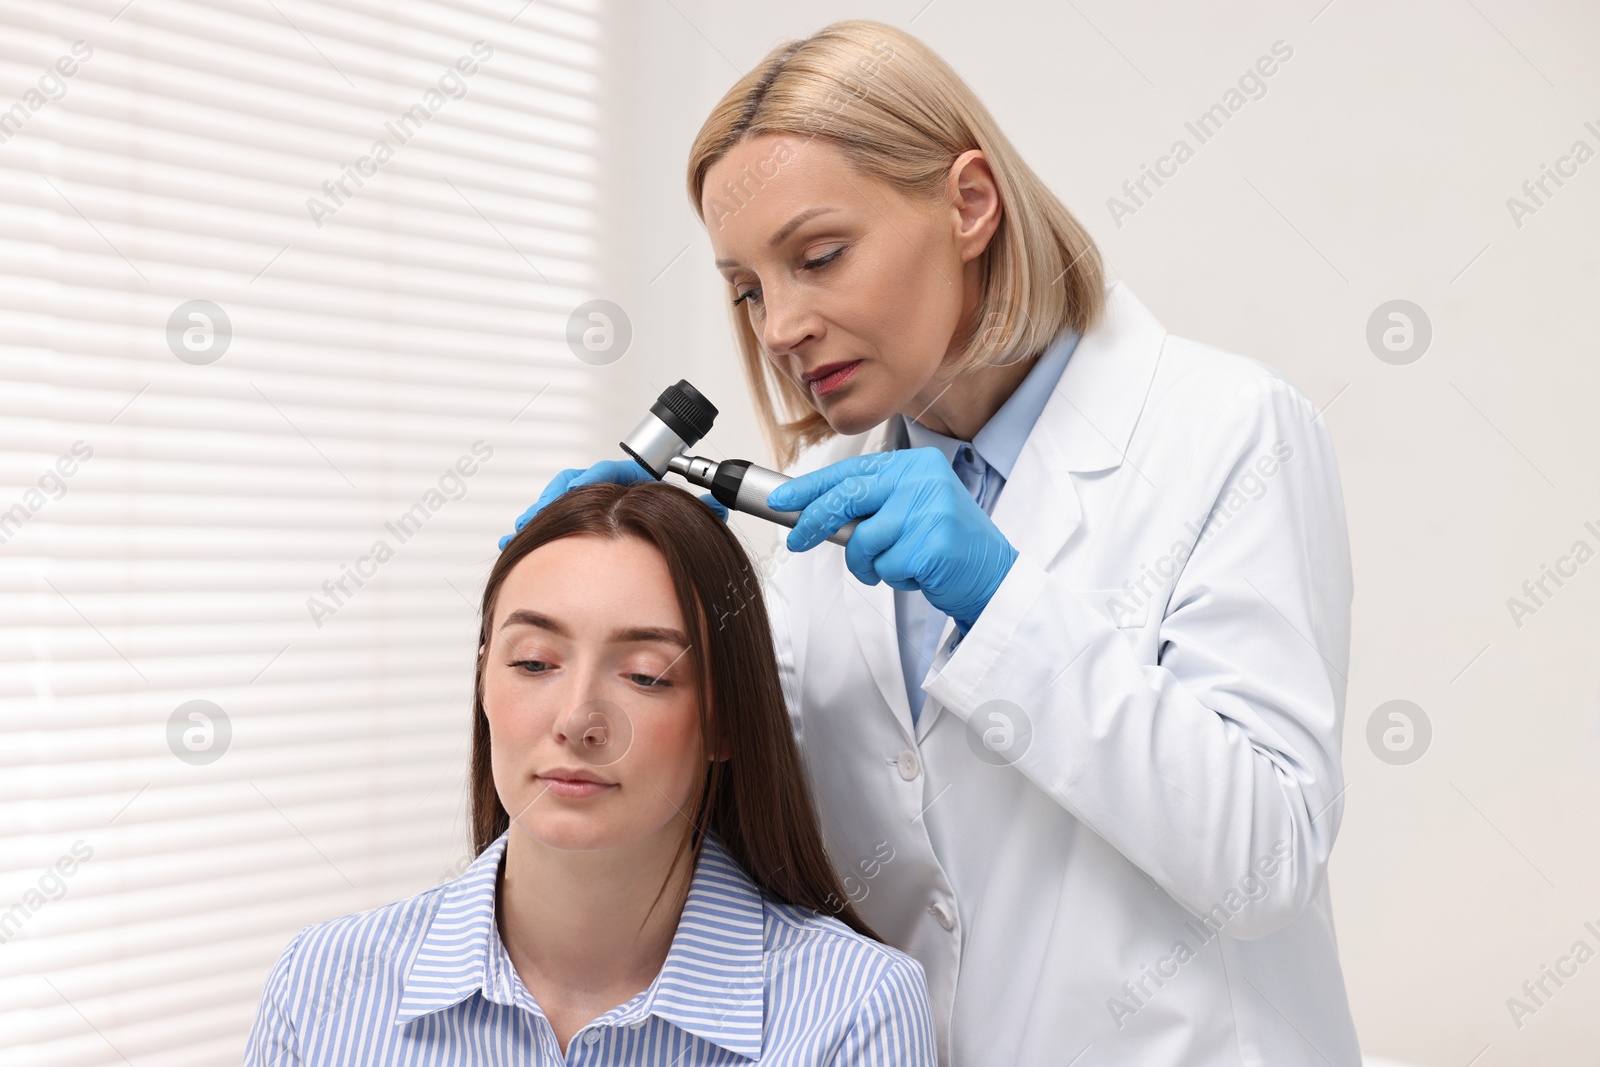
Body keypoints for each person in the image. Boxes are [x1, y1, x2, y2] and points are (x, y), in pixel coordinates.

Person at [506, 18, 1363, 1067]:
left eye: (818, 256)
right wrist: (625, 615)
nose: (778, 327)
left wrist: (1003, 601)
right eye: (748, 288)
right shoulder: (819, 502)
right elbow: (738, 833)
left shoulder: (1230, 430)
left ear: (967, 203)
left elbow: (1263, 857)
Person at [246, 480, 938, 1065]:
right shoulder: (323, 985)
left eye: (645, 674)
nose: (578, 718)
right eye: (535, 663)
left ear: (726, 719)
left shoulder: (852, 1010)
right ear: (484, 681)